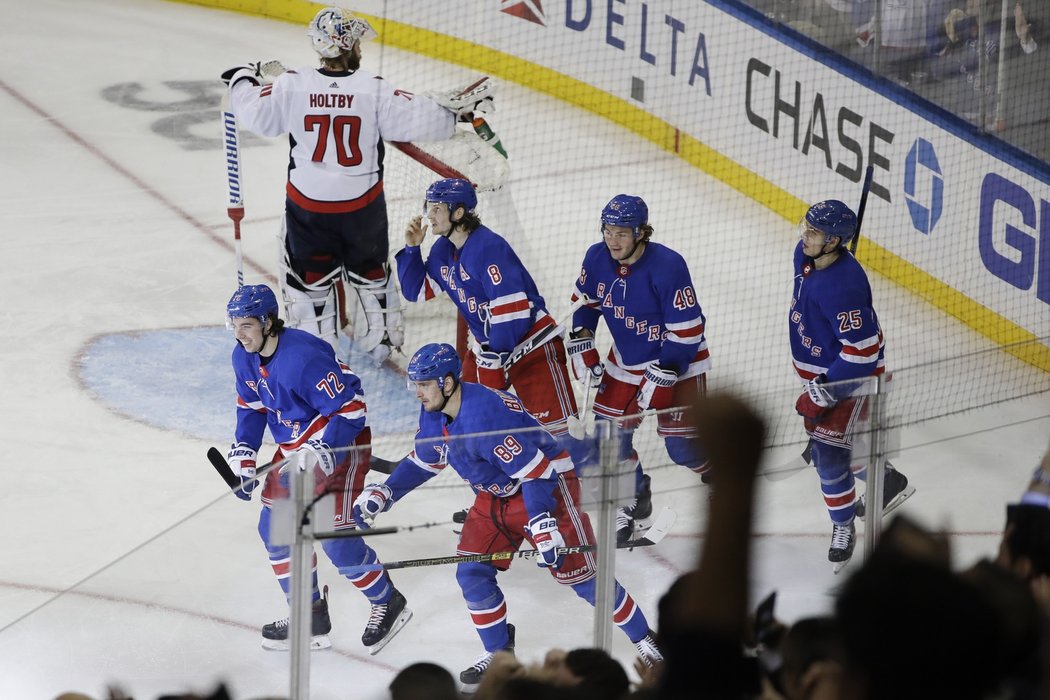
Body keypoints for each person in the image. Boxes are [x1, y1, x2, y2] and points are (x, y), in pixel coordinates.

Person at [350, 343, 662, 692]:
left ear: (448, 382)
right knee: (472, 571)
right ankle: (500, 655)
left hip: (547, 488)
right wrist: (387, 491)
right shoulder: (436, 410)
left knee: (582, 578)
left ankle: (646, 641)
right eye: (416, 384)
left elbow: (538, 472)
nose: (418, 392)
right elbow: (427, 459)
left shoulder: (485, 417)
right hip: (494, 495)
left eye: (424, 384)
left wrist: (543, 523)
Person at [220, 7, 494, 364]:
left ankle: (318, 355)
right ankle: (381, 344)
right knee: (371, 274)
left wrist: (242, 78)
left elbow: (254, 113)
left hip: (308, 209)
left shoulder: (292, 83)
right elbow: (427, 121)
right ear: (349, 47)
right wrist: (454, 112)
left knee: (311, 284)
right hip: (361, 209)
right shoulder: (373, 89)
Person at [224, 283, 412, 654]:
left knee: (327, 531)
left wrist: (323, 446)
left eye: (245, 325)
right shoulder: (242, 356)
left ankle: (387, 600)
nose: (239, 333)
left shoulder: (303, 358)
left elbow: (352, 410)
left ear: (267, 322)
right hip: (295, 451)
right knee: (275, 530)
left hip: (340, 444)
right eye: (234, 325)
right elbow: (251, 407)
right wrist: (244, 452)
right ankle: (309, 614)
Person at [395, 178, 583, 458]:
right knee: (464, 413)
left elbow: (514, 311)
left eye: (436, 208)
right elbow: (416, 291)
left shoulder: (489, 248)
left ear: (458, 213)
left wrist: (496, 356)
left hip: (532, 349)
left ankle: (597, 485)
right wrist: (412, 249)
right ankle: (430, 458)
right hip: (490, 351)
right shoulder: (442, 251)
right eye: (429, 207)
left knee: (558, 434)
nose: (429, 215)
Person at [566, 194, 712, 544]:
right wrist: (584, 339)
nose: (612, 240)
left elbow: (688, 331)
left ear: (641, 232)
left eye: (621, 233)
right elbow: (585, 304)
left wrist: (667, 372)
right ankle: (632, 497)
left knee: (681, 449)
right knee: (610, 439)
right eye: (608, 230)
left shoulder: (668, 265)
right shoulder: (596, 256)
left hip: (679, 360)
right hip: (628, 360)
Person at [788, 200, 914, 571]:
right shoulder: (808, 254)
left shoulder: (844, 289)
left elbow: (863, 351)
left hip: (852, 380)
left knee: (829, 461)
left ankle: (842, 527)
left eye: (814, 231)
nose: (804, 236)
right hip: (822, 372)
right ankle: (888, 479)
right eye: (806, 227)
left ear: (835, 241)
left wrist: (825, 387)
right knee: (842, 449)